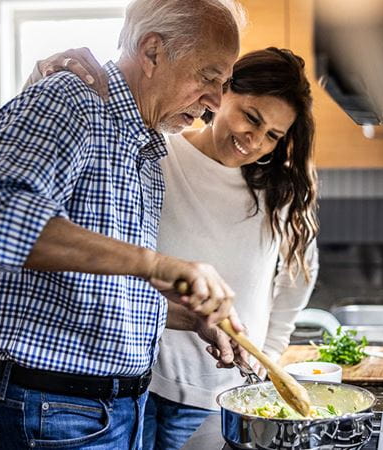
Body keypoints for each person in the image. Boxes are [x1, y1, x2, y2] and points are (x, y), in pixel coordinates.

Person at [0, 0, 248, 448]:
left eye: (223, 84)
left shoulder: (144, 145)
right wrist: (157, 265)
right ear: (153, 51)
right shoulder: (72, 99)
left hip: (115, 409)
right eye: (208, 77)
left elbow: (95, 293)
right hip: (53, 412)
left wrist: (189, 317)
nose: (216, 102)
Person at [31, 46, 319, 449]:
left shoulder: (280, 191)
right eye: (251, 117)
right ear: (222, 92)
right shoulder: (158, 153)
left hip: (225, 393)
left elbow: (298, 281)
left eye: (273, 135)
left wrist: (269, 353)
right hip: (137, 384)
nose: (254, 140)